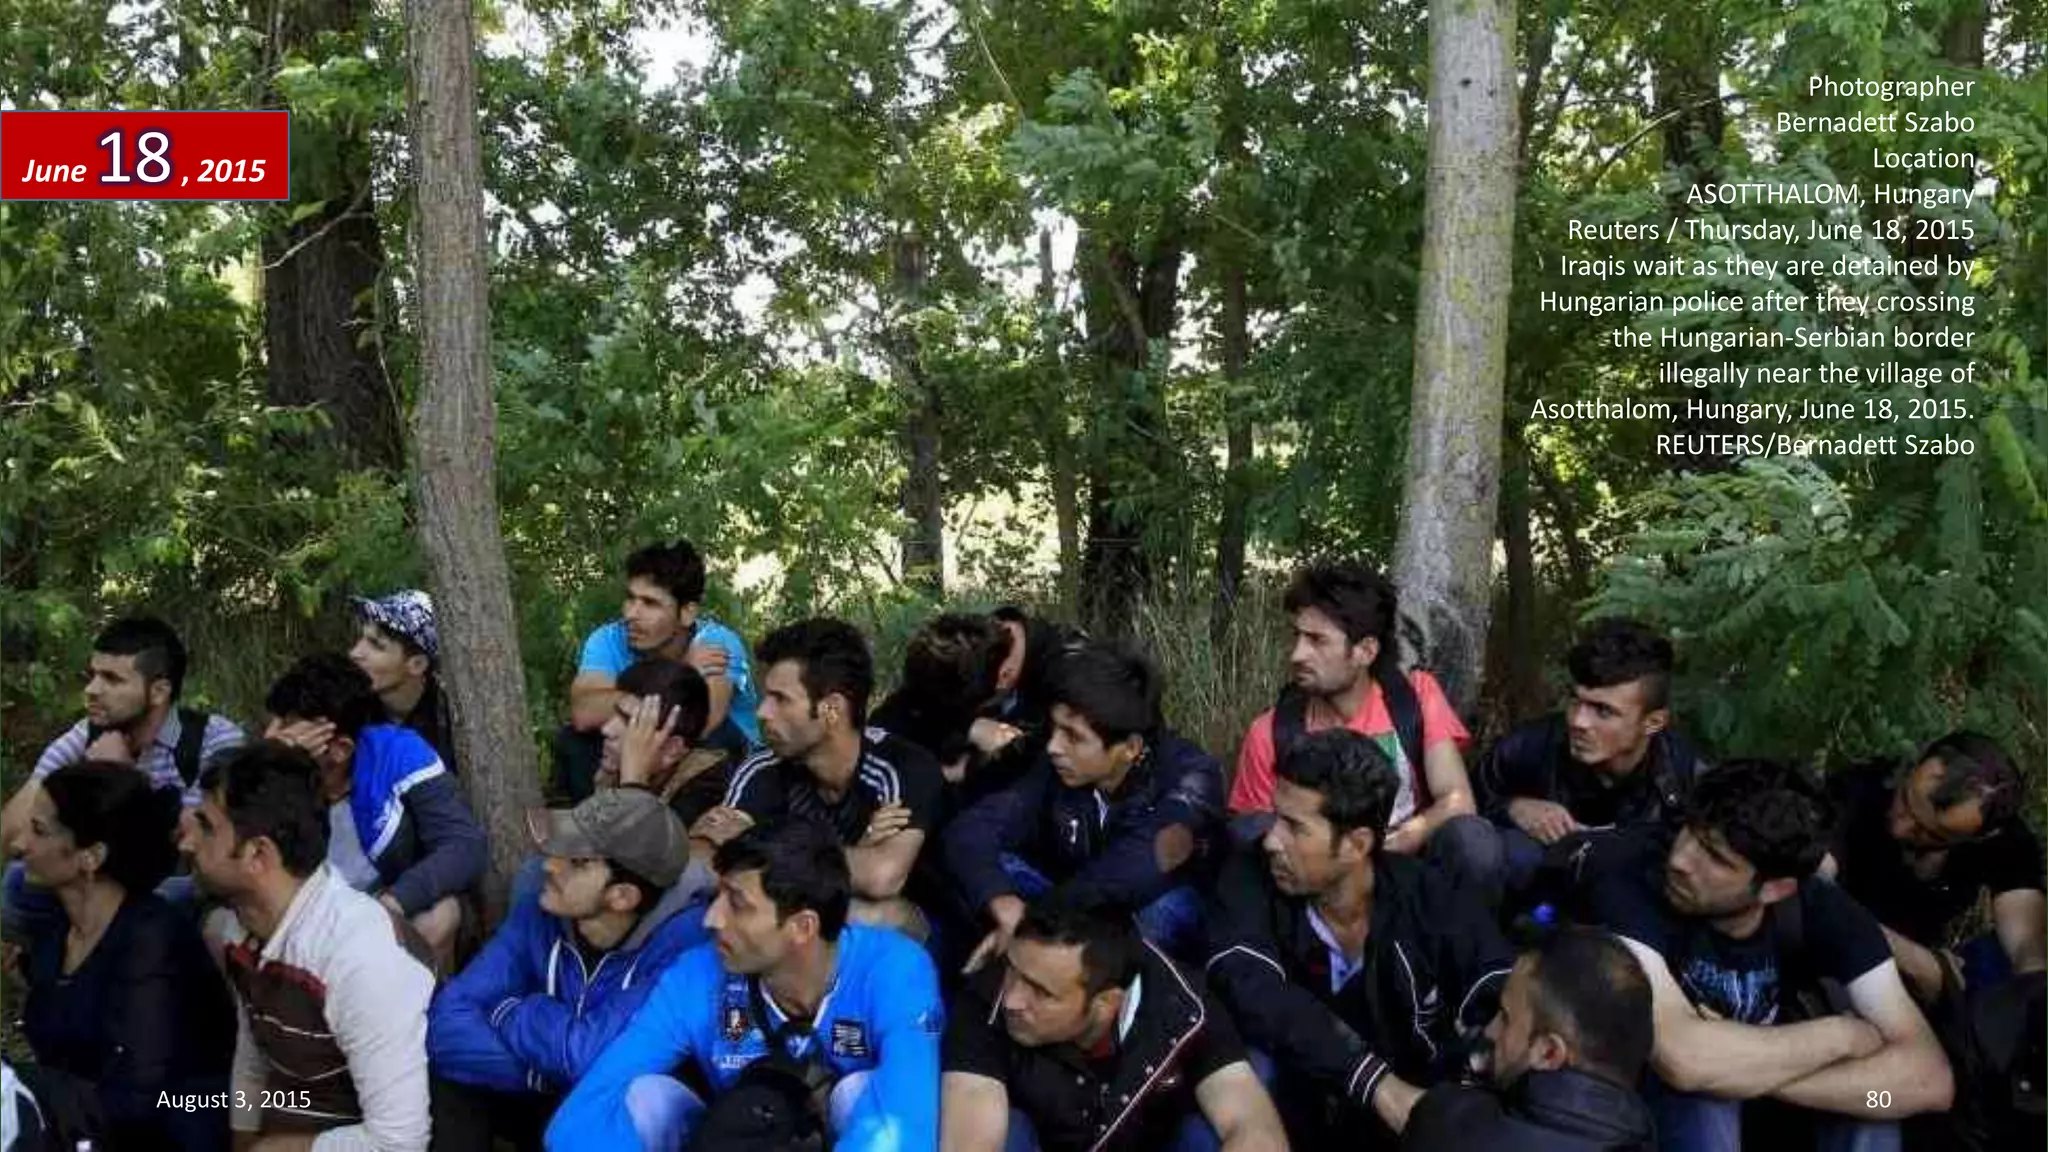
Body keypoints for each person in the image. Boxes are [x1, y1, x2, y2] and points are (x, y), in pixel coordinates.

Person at [1576, 758, 1952, 1150]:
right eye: (1690, 832)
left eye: (1716, 858)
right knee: (1708, 1097)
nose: (1681, 860)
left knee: (1877, 1105)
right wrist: (1838, 1037)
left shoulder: (1823, 909)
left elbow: (1931, 1082)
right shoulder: (1634, 881)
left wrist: (1765, 1081)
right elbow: (1683, 1061)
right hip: (1658, 1096)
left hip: (1777, 1097)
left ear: (1775, 889)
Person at [542, 822, 944, 1152]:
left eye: (737, 903)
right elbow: (576, 1121)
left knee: (863, 1092)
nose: (711, 920)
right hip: (734, 1139)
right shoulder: (697, 974)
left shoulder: (894, 970)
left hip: (847, 1138)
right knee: (645, 1098)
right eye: (717, 896)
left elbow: (907, 1132)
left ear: (802, 927)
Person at [1204, 729, 1513, 1147]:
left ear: (1356, 844)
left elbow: (1495, 980)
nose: (1272, 840)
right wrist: (1375, 1083)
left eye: (1294, 826)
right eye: (1276, 816)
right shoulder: (1246, 878)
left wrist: (1475, 1069)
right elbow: (1252, 989)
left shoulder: (1425, 895)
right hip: (1297, 1105)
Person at [177, 740, 435, 1151]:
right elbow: (255, 1047)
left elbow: (400, 1142)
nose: (186, 843)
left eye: (207, 827)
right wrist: (243, 1140)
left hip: (351, 1129)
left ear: (258, 854)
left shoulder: (358, 957)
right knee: (172, 1106)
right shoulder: (239, 924)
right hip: (290, 1102)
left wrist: (273, 1150)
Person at [426, 788, 712, 1151]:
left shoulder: (684, 943)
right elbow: (447, 1020)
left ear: (622, 896)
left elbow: (591, 1059)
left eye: (576, 861)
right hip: (542, 1086)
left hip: (610, 1120)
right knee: (449, 1076)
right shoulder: (542, 907)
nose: (549, 865)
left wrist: (514, 1010)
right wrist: (544, 1071)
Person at [1225, 562, 1497, 900]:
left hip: (1408, 869)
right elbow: (1256, 836)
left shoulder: (1416, 698)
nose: (1297, 654)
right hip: (1318, 887)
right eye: (1297, 636)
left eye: (1317, 640)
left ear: (1366, 651)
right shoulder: (1271, 731)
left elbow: (1458, 801)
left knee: (1475, 840)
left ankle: (1464, 946)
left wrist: (1396, 842)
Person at [947, 643, 1223, 966]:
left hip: (1134, 912)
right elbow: (972, 829)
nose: (1053, 747)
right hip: (1073, 902)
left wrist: (1033, 922)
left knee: (1160, 911)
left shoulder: (1192, 775)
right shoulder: (1056, 767)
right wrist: (1003, 902)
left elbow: (1131, 871)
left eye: (1073, 737)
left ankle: (1132, 1003)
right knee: (988, 873)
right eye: (1054, 729)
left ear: (1130, 748)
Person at [941, 898, 1286, 1152]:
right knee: (1011, 1133)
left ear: (1106, 1003)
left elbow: (1254, 1128)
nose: (1013, 998)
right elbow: (971, 1139)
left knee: (1214, 1128)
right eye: (1013, 970)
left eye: (1041, 992)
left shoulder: (1181, 1005)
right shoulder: (985, 999)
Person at [11, 762, 235, 1151]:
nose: (20, 844)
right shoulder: (57, 932)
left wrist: (22, 1088)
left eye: (39, 831)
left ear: (91, 856)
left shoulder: (152, 942)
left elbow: (139, 1101)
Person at [1, 616, 244, 938]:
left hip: (171, 887)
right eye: (92, 676)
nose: (91, 690)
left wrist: (122, 777)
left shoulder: (213, 738)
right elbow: (14, 830)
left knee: (177, 897)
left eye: (112, 679)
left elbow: (192, 849)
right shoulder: (88, 733)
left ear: (158, 691)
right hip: (102, 882)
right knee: (18, 882)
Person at [707, 617, 944, 937]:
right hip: (789, 921)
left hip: (911, 937)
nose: (762, 712)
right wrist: (848, 856)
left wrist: (756, 844)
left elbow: (882, 876)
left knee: (885, 917)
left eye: (781, 699)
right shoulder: (762, 767)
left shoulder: (902, 766)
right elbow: (712, 859)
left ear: (832, 709)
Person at [264, 652, 488, 971]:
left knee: (440, 917)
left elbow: (465, 845)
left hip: (379, 905)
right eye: (273, 723)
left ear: (339, 750)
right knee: (221, 924)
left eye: (288, 728)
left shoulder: (397, 753)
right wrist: (267, 764)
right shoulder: (266, 763)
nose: (274, 736)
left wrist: (391, 904)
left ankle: (421, 1019)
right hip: (298, 911)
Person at [1475, 619, 1707, 895]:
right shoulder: (1527, 747)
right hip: (1531, 902)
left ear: (1653, 722)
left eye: (1603, 711)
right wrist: (1512, 807)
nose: (1578, 721)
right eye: (1576, 700)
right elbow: (1463, 811)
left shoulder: (1688, 778)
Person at [1822, 731, 2044, 1003]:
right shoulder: (1859, 790)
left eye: (1930, 834)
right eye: (1905, 800)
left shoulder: (2006, 842)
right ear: (1916, 764)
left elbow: (2027, 948)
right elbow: (1816, 891)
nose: (1900, 828)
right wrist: (1925, 965)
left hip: (1912, 977)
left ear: (1981, 837)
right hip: (1831, 951)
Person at [1403, 927, 1656, 1151]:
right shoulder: (1646, 1136)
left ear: (1548, 1053)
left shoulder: (1449, 1125)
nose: (1491, 1031)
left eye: (1505, 1017)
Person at [560, 540, 758, 800]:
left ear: (687, 613)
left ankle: (670, 831)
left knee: (706, 742)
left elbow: (701, 726)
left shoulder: (716, 643)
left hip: (714, 765)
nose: (632, 613)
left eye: (650, 603)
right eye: (630, 599)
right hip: (641, 752)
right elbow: (584, 712)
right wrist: (682, 670)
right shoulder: (608, 639)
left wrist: (624, 702)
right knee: (577, 739)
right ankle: (595, 823)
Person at [868, 613, 1021, 795]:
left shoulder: (915, 704)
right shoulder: (890, 736)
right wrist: (952, 772)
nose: (1007, 676)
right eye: (1002, 672)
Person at [350, 590, 457, 772]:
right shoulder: (345, 708)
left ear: (417, 664)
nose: (354, 653)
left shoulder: (452, 730)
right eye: (362, 639)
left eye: (377, 645)